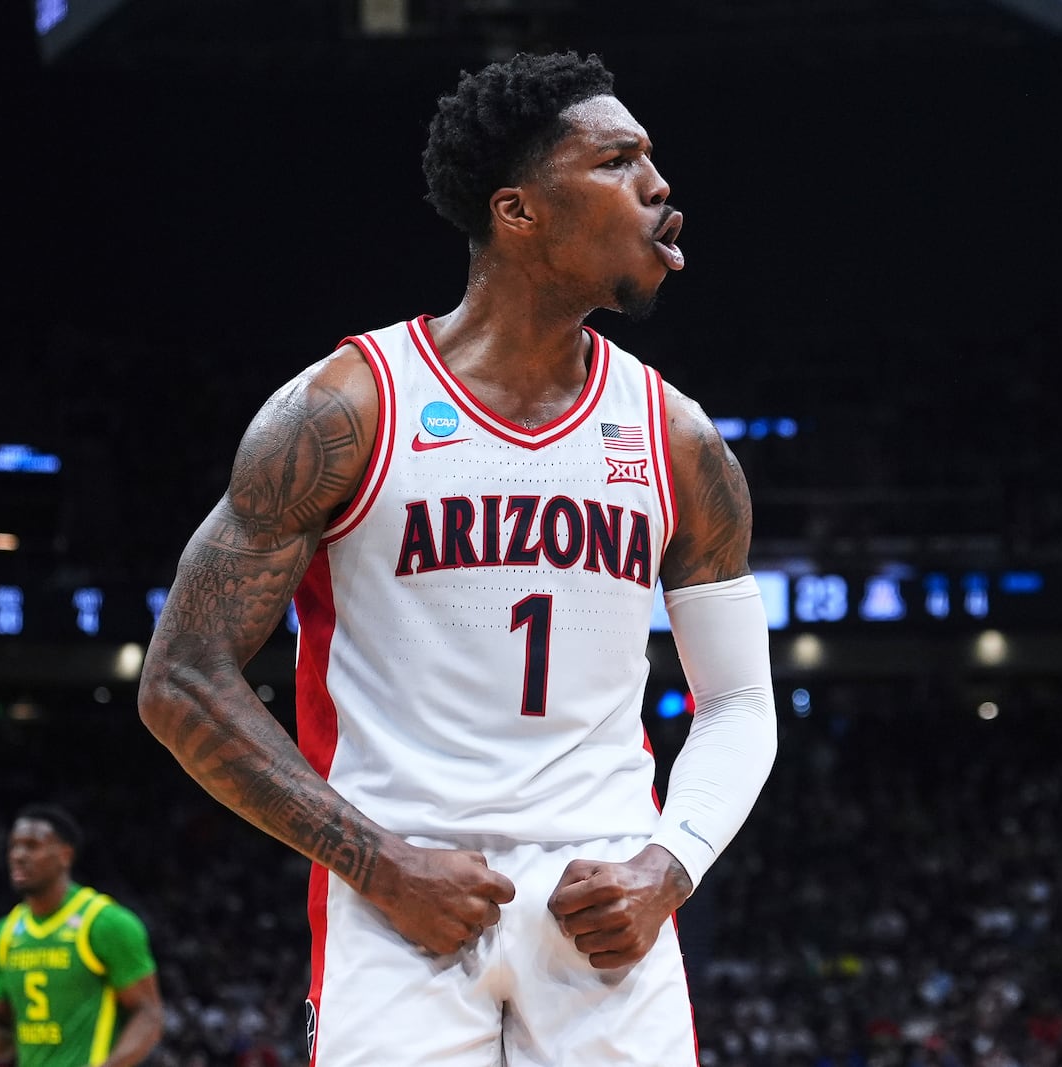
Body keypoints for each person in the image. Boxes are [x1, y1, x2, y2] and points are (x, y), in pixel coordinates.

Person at [138, 49, 777, 1065]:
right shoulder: (348, 407)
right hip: (401, 905)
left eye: (652, 159)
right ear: (518, 212)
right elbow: (179, 678)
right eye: (618, 160)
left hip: (607, 907)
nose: (658, 186)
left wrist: (671, 864)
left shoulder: (678, 439)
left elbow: (739, 702)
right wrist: (378, 862)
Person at [0, 804, 165, 1066]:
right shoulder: (6, 933)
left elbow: (149, 1015)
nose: (18, 855)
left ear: (65, 855)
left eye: (32, 845)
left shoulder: (105, 923)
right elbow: (4, 1040)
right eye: (14, 846)